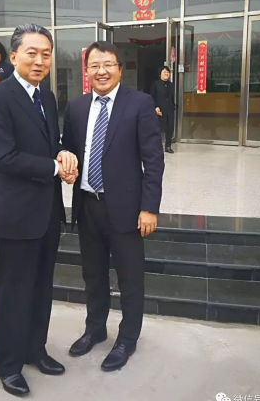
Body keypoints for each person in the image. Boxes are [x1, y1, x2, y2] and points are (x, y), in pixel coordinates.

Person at [0, 24, 78, 398]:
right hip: (14, 214)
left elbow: (47, 144)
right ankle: (8, 365)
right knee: (14, 292)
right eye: (32, 53)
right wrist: (54, 168)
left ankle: (35, 350)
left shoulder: (46, 97)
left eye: (46, 54)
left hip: (47, 211)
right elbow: (3, 158)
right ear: (14, 56)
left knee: (41, 287)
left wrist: (62, 154)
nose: (39, 60)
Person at [62, 41, 164, 372]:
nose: (101, 71)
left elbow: (153, 159)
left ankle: (127, 339)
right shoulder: (76, 107)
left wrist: (149, 207)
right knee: (93, 275)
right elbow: (69, 149)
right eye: (95, 65)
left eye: (108, 64)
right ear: (87, 70)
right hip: (87, 206)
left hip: (127, 210)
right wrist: (66, 164)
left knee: (130, 278)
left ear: (120, 68)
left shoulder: (140, 103)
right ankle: (95, 329)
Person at [150, 66, 176, 154]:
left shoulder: (171, 85)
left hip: (170, 109)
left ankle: (168, 146)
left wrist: (174, 106)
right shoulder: (156, 84)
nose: (166, 74)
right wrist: (155, 107)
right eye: (164, 72)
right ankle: (156, 146)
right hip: (159, 110)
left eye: (168, 72)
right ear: (160, 74)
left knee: (170, 128)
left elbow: (172, 97)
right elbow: (152, 97)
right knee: (158, 129)